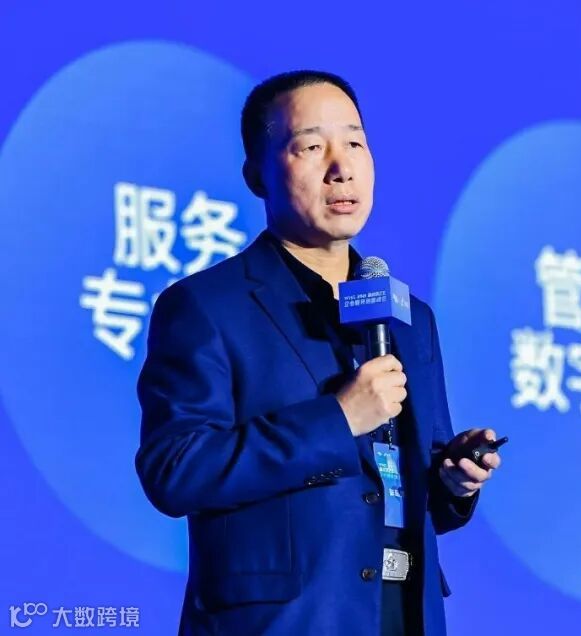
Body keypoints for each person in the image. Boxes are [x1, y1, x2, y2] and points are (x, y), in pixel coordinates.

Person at [135, 70, 501, 636]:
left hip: (401, 615)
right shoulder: (206, 306)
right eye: (311, 147)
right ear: (256, 175)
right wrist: (338, 419)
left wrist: (454, 482)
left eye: (355, 143)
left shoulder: (409, 318)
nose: (341, 167)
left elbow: (396, 492)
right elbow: (175, 470)